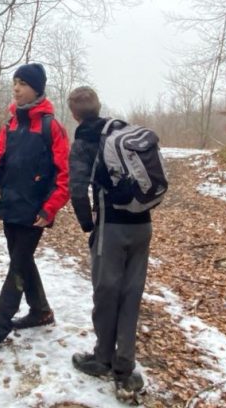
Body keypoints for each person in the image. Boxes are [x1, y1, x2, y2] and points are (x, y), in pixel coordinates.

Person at [0, 63, 70, 364]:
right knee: (23, 261)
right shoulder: (11, 125)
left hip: (34, 214)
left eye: (22, 84)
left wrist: (50, 207)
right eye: (14, 83)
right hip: (10, 209)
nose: (16, 88)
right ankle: (41, 311)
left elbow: (63, 175)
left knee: (16, 267)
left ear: (37, 88)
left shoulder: (50, 127)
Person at [66, 86, 151, 400]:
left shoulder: (85, 139)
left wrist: (88, 225)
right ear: (98, 106)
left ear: (74, 113)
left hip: (111, 228)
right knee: (131, 293)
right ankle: (125, 365)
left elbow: (77, 190)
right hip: (143, 225)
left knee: (106, 291)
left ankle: (102, 358)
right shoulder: (123, 130)